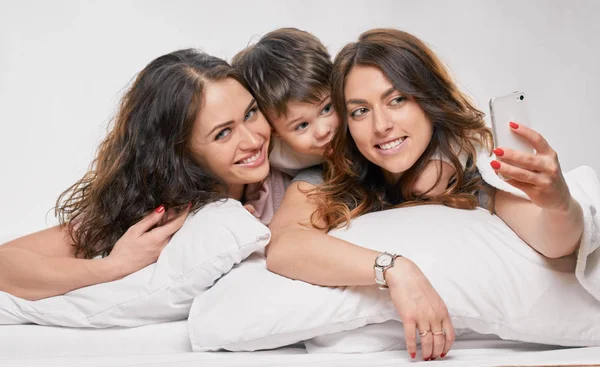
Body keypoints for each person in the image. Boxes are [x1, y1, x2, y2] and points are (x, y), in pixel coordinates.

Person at [267, 29, 583, 361]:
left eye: (397, 100)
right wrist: (393, 269)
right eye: (360, 111)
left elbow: (555, 242)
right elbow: (284, 246)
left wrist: (559, 201)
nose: (381, 125)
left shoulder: (472, 172)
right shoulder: (330, 177)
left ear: (428, 98)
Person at [0, 49, 275, 301]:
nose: (253, 140)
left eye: (251, 113)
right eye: (223, 133)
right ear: (180, 151)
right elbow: (4, 265)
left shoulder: (289, 176)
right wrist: (114, 267)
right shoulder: (158, 216)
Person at [232, 27, 462, 195]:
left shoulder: (360, 122)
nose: (323, 131)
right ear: (276, 132)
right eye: (302, 126)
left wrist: (442, 162)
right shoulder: (273, 153)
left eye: (327, 108)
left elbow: (458, 130)